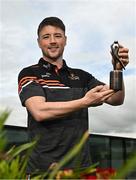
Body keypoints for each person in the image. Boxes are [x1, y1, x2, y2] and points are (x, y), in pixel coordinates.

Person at [18, 17, 129, 175]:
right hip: (42, 171)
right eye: (46, 36)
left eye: (58, 35)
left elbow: (116, 98)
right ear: (38, 42)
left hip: (81, 170)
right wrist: (84, 102)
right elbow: (39, 111)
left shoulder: (82, 76)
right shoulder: (29, 73)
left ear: (65, 40)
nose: (52, 41)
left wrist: (117, 69)